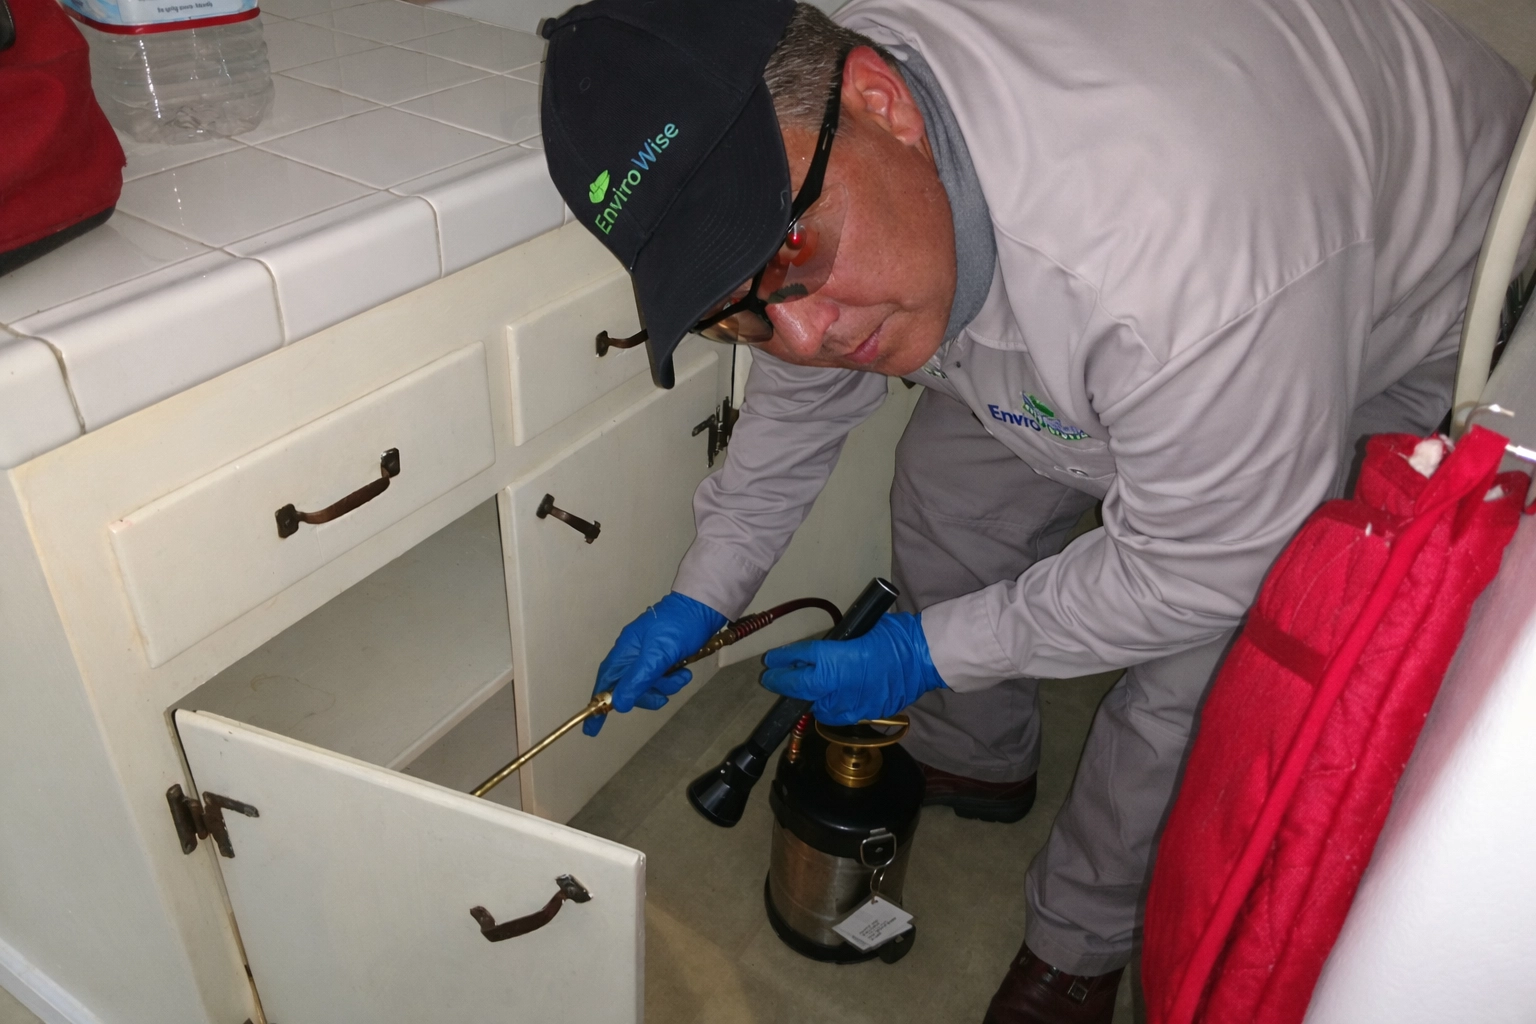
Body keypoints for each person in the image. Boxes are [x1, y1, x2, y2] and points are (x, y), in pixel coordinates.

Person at [537, 0, 1531, 1018]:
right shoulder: (839, 131)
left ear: (884, 102)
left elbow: (1199, 566)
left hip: (1408, 295)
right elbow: (807, 379)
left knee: (1203, 660)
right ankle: (978, 757)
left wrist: (926, 651)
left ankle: (1079, 941)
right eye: (734, 310)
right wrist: (705, 591)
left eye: (793, 252)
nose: (801, 331)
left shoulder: (1176, 258)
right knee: (947, 490)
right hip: (1148, 265)